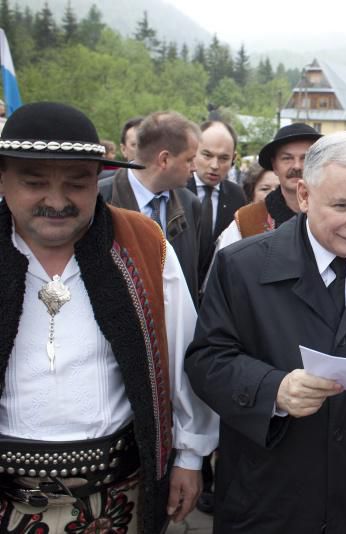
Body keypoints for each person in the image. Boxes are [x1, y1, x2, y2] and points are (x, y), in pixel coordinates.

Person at [185, 132, 346, 532]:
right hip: (265, 497)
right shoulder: (242, 266)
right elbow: (206, 361)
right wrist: (274, 389)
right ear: (305, 195)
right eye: (342, 205)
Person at [0, 102, 217, 532]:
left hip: (118, 500)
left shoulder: (143, 244)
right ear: (3, 178)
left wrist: (191, 457)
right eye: (34, 182)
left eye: (77, 183)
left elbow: (185, 356)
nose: (56, 201)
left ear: (97, 179)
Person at [214, 123, 346, 253]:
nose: (297, 166)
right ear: (274, 165)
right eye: (287, 158)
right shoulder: (247, 220)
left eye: (306, 157)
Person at [99, 111, 203, 304]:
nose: (195, 167)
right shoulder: (99, 200)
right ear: (164, 160)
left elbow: (192, 278)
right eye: (189, 160)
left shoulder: (190, 204)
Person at [186, 120, 246, 285]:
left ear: (233, 159)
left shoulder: (237, 196)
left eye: (224, 158)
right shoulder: (175, 190)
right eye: (207, 155)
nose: (214, 165)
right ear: (194, 151)